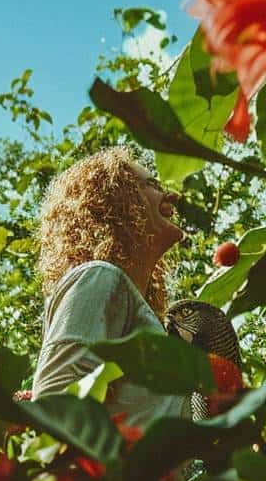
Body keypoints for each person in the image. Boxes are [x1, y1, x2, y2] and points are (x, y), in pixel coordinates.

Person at [33, 146, 191, 429]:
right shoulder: (99, 277)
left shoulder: (133, 306)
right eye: (152, 185)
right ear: (118, 201)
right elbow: (56, 400)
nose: (172, 195)